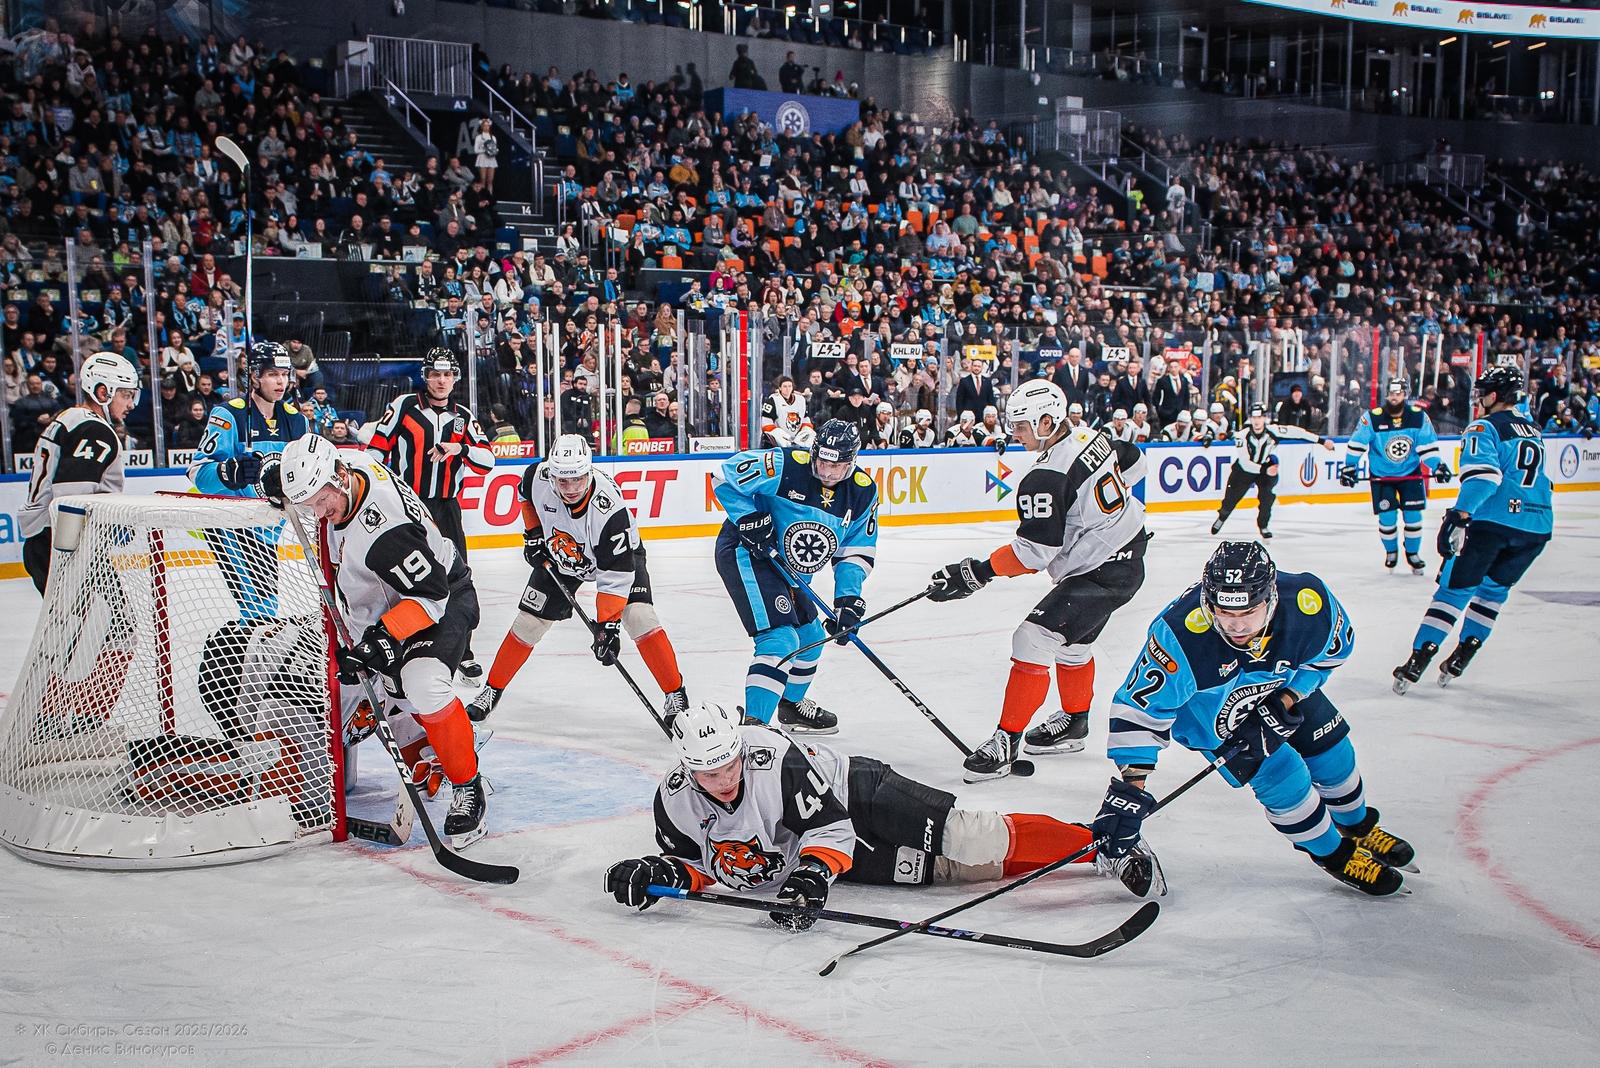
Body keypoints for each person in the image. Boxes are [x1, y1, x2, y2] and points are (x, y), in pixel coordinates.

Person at [603, 702, 1164, 924]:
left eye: (730, 765)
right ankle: (1080, 852)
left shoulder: (778, 761)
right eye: (709, 773)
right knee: (954, 874)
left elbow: (833, 827)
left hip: (858, 793)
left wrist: (811, 877)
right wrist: (658, 874)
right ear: (684, 767)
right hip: (811, 846)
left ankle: (1101, 843)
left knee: (968, 839)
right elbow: (704, 866)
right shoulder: (672, 800)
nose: (724, 780)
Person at [1097, 541, 1414, 897]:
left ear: (1271, 598)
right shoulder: (1179, 635)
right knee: (1285, 780)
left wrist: (1288, 697)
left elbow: (1330, 653)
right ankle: (1336, 855)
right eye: (1224, 614)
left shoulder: (1308, 603)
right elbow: (1140, 711)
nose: (1236, 626)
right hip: (1213, 716)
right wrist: (1131, 790)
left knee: (1333, 753)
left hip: (1284, 687)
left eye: (1248, 613)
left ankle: (1358, 827)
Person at [928, 381, 1150, 781]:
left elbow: (1033, 553)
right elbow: (1136, 465)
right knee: (1073, 642)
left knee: (1033, 637)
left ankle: (1005, 742)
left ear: (1047, 421)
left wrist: (976, 572)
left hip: (1102, 569)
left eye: (1021, 426)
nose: (1014, 433)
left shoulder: (1046, 474)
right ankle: (1075, 722)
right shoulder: (1091, 434)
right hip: (1127, 552)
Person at [273, 436, 488, 847]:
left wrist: (384, 639)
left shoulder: (385, 531)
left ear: (339, 478)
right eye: (308, 505)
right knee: (363, 687)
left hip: (440, 599)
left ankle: (468, 786)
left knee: (421, 682)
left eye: (321, 502)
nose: (318, 514)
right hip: (388, 600)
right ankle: (433, 748)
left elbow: (432, 594)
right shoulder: (349, 463)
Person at [467, 435, 688, 724]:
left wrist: (608, 627)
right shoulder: (538, 476)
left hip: (619, 560)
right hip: (564, 555)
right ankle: (492, 690)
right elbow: (525, 496)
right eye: (563, 481)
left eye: (578, 480)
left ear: (589, 471)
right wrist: (533, 534)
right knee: (528, 623)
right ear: (553, 473)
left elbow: (614, 579)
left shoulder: (610, 513)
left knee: (639, 617)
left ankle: (675, 692)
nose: (570, 489)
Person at [1392, 366, 1554, 692]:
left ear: (1494, 396)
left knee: (1453, 591)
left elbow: (1485, 477)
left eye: (1483, 393)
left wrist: (1459, 515)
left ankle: (1418, 659)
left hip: (1493, 523)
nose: (1478, 399)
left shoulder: (1483, 427)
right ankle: (1463, 655)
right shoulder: (1532, 429)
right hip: (1537, 528)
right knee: (1493, 593)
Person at [713, 419, 878, 733]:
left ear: (852, 462)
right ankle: (755, 730)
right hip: (748, 554)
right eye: (823, 462)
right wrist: (748, 516)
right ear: (814, 452)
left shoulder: (862, 493)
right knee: (780, 639)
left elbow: (856, 550)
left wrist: (848, 600)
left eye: (837, 466)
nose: (827, 472)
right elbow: (724, 475)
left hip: (789, 571)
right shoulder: (787, 464)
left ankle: (790, 707)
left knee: (813, 638)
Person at [366, 348, 496, 683]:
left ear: (455, 377)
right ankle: (402, 641)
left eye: (447, 375)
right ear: (426, 376)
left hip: (447, 508)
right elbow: (376, 452)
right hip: (409, 506)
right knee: (407, 576)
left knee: (458, 578)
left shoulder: (462, 417)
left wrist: (460, 448)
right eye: (435, 375)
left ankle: (462, 650)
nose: (441, 381)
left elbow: (487, 462)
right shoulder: (405, 406)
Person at [18, 353, 140, 595]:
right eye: (126, 395)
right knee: (112, 628)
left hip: (47, 542)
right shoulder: (94, 430)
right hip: (64, 546)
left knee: (81, 628)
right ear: (102, 392)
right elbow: (71, 500)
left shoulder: (70, 418)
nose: (131, 404)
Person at [1338, 379, 1452, 572]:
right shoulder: (1373, 418)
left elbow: (1427, 448)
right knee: (1387, 517)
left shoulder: (1418, 417)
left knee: (1413, 516)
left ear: (1405, 395)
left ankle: (1412, 553)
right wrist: (1350, 467)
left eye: (1398, 393)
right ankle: (1391, 552)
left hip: (1410, 474)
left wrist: (1437, 466)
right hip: (1382, 477)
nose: (1394, 397)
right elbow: (1357, 444)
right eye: (1391, 393)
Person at [1209, 404, 1335, 539]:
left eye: (1260, 417)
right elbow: (1246, 464)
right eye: (1254, 417)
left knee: (1267, 497)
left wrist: (1321, 441)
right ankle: (1222, 517)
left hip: (1265, 467)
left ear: (1265, 418)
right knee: (1231, 498)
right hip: (1244, 471)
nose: (1257, 421)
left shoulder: (1273, 431)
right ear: (1250, 419)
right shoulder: (1241, 436)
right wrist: (1265, 470)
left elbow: (1296, 432)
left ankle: (1263, 525)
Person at [760, 375, 813, 448]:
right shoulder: (772, 400)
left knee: (811, 434)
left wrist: (804, 432)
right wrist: (784, 436)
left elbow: (805, 420)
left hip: (798, 436)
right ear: (780, 388)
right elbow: (766, 424)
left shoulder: (801, 400)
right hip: (779, 437)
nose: (787, 389)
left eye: (789, 386)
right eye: (785, 386)